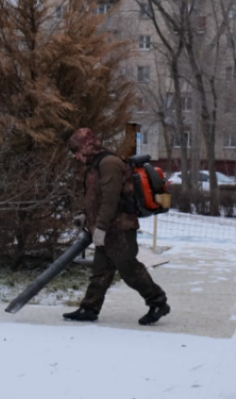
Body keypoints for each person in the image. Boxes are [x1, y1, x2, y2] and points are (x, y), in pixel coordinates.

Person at [63, 128, 170, 326]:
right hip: (106, 229)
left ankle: (158, 302)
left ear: (87, 147)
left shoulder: (109, 163)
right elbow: (97, 198)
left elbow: (111, 200)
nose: (76, 157)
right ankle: (89, 308)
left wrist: (101, 227)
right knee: (101, 271)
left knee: (129, 270)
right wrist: (86, 216)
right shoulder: (95, 164)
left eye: (77, 152)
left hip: (120, 228)